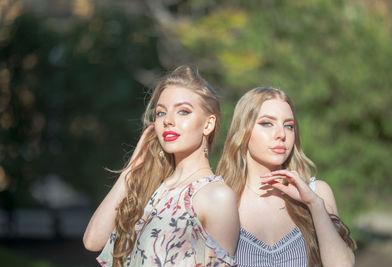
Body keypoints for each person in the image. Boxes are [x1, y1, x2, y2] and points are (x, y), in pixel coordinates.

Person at [83, 65, 240, 267]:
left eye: (183, 111)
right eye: (161, 113)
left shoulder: (216, 196)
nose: (168, 121)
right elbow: (92, 241)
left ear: (208, 124)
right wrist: (132, 169)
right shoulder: (152, 188)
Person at [217, 87, 356, 267]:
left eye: (289, 126)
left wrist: (315, 205)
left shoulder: (317, 192)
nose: (281, 135)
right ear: (243, 131)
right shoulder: (220, 199)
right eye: (267, 123)